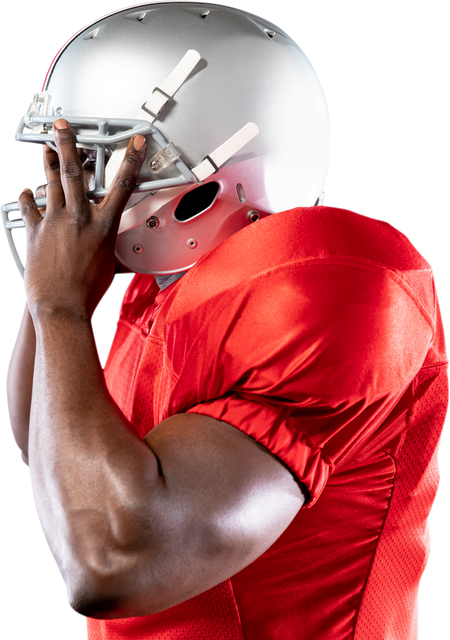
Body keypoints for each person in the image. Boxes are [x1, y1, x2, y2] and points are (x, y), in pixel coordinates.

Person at [2, 2, 448, 639]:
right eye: (69, 163)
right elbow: (49, 456)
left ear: (224, 155)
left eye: (104, 163)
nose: (72, 196)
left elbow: (109, 563)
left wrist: (60, 307)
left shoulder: (326, 285)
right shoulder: (162, 294)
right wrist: (53, 304)